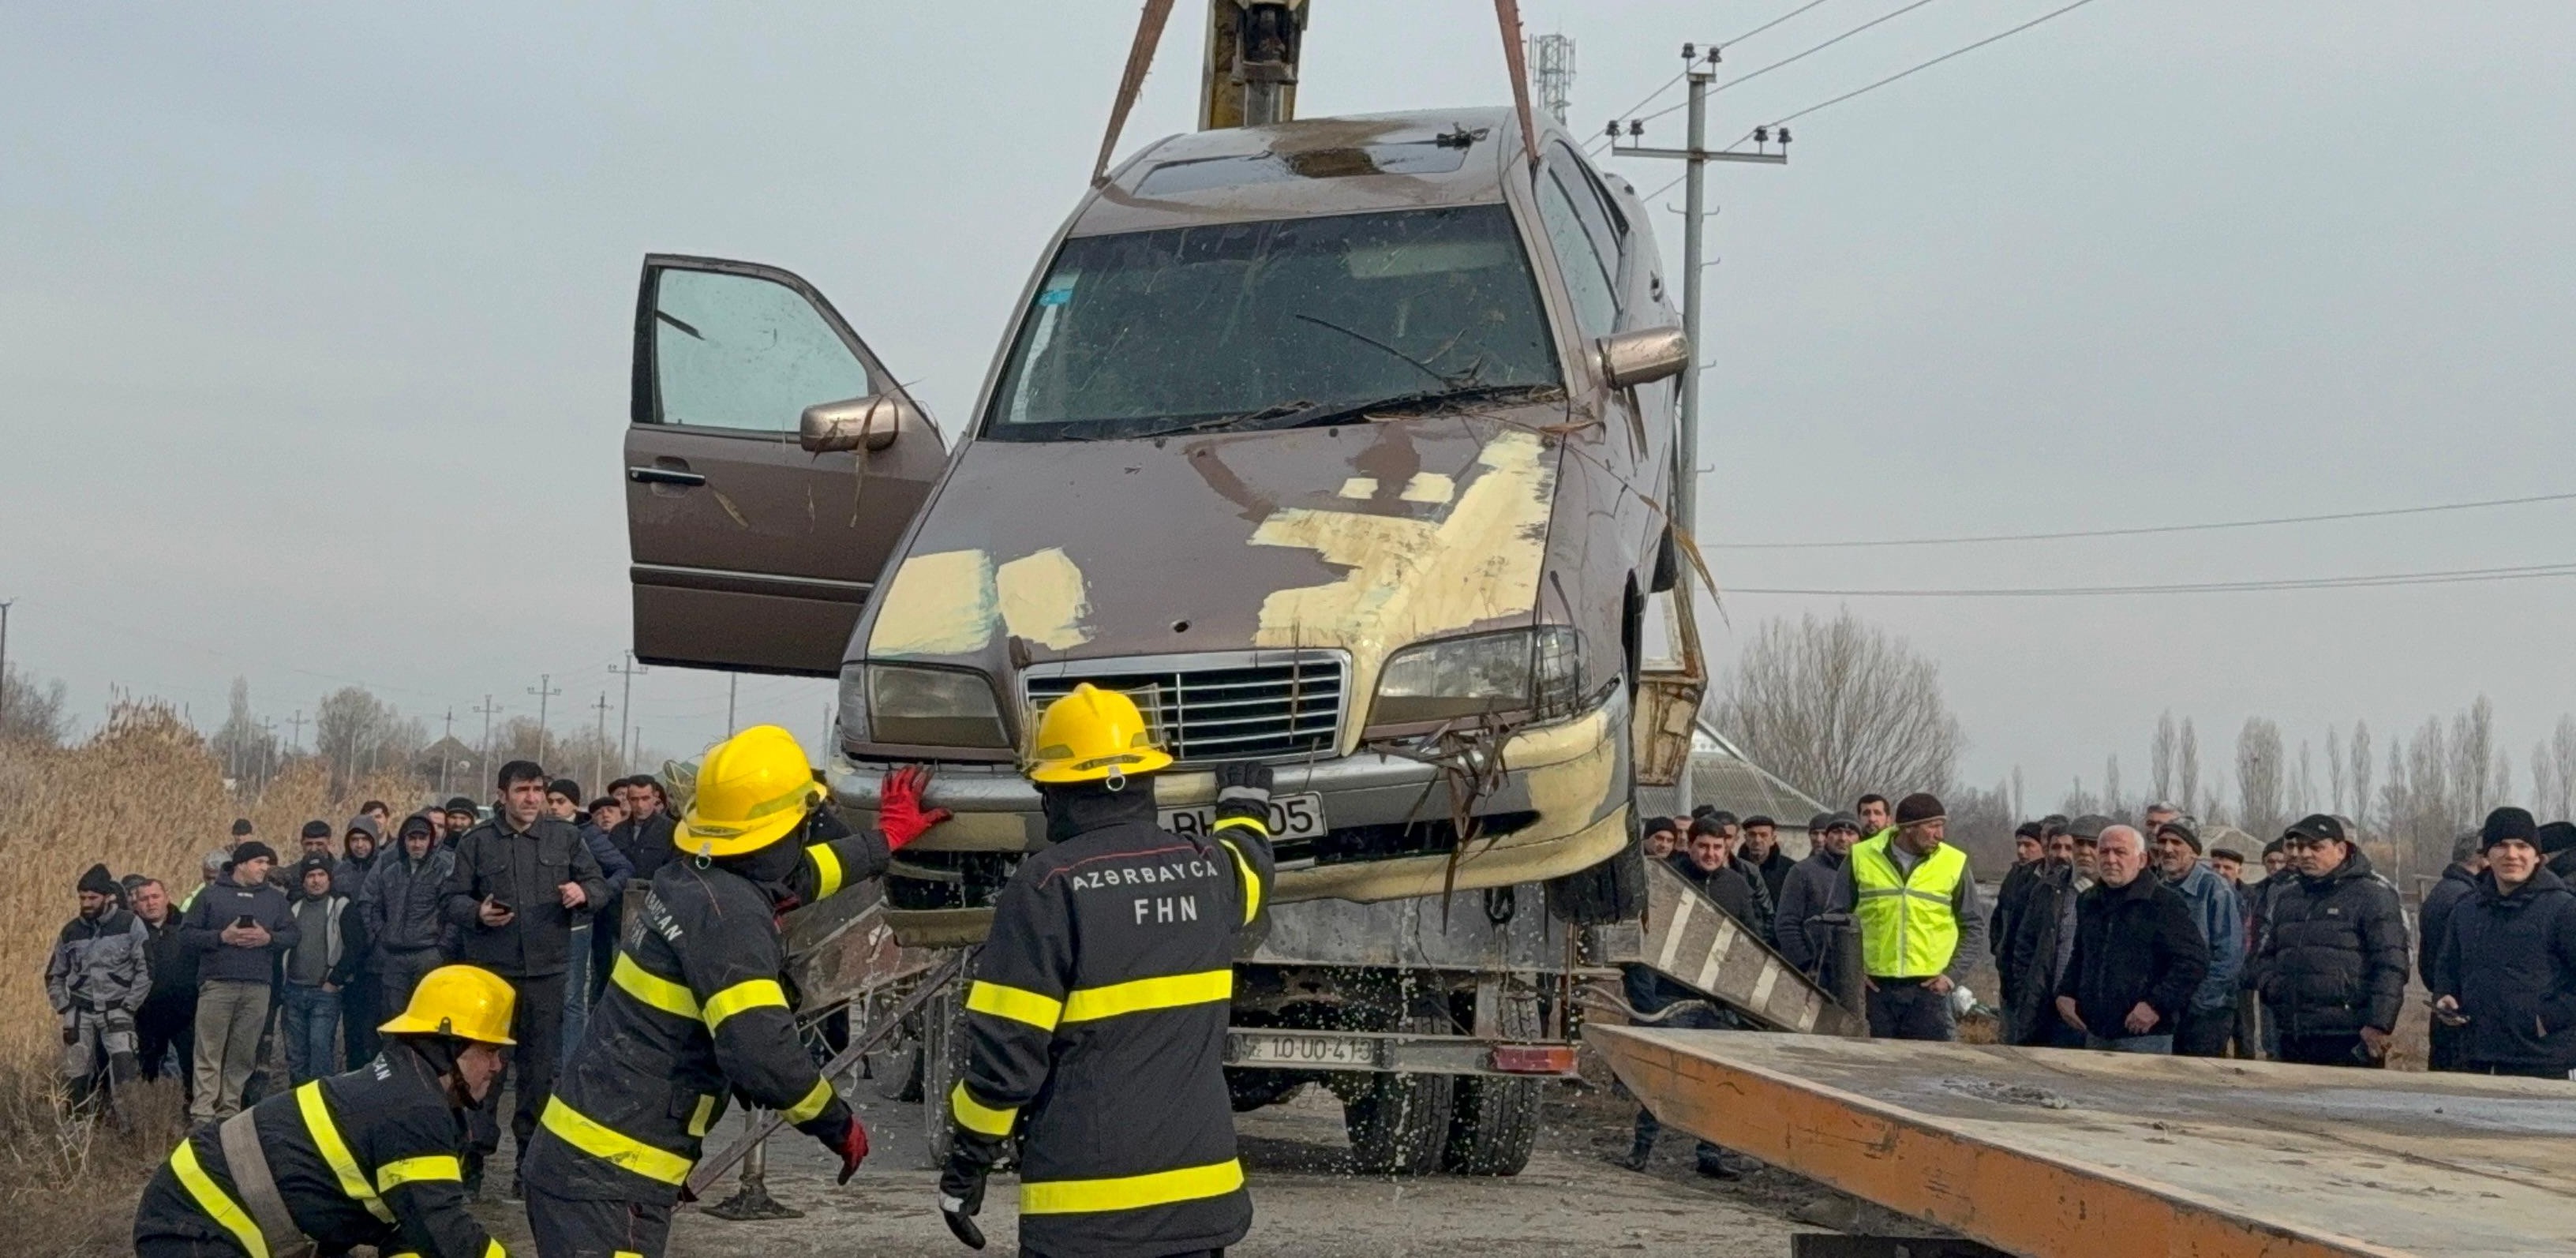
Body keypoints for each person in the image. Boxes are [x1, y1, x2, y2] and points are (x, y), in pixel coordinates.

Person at [522, 727, 937, 1258]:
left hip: (588, 1167)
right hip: (608, 1185)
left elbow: (801, 876)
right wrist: (837, 1124)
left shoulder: (697, 876)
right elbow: (761, 1052)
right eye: (803, 822)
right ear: (785, 828)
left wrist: (883, 841)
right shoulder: (732, 918)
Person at [938, 684, 1275, 1256]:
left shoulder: (1046, 887)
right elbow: (1252, 870)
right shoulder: (1206, 872)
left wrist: (967, 1165)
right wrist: (1245, 807)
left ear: (1053, 792)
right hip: (1199, 1210)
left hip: (1086, 1218)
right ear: (1148, 780)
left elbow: (1007, 1061)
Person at [132, 965, 517, 1258]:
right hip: (194, 1221)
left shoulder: (404, 1085)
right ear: (448, 1046)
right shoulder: (412, 1108)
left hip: (200, 1209)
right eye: (489, 1051)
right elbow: (442, 1229)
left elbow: (408, 1230)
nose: (498, 1067)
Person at [440, 761, 610, 1197]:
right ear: (502, 794)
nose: (532, 798)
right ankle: (472, 1160)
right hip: (492, 977)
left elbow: (598, 883)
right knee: (482, 1072)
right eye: (522, 790)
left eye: (538, 789)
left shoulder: (566, 837)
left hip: (547, 974)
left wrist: (582, 893)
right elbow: (451, 898)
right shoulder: (477, 842)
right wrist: (476, 913)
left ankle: (528, 1165)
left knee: (538, 1075)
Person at [2252, 814, 2408, 1068]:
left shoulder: (2372, 897)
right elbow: (2266, 953)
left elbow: (2391, 964)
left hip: (2348, 1036)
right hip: (2292, 1034)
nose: (2306, 854)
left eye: (2316, 847)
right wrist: (2274, 988)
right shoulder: (2287, 898)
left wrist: (2378, 1023)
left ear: (2341, 849)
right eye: (2300, 847)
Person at [2431, 807, 2576, 1079]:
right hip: (2476, 1059)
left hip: (2545, 1061)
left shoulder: (2564, 910)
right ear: (2486, 856)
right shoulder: (2466, 911)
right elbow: (2447, 969)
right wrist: (2446, 997)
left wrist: (2544, 1020)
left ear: (2538, 857)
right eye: (2501, 845)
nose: (2512, 855)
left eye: (2522, 846)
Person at [2057, 826, 2209, 1054]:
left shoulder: (2162, 904)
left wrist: (2156, 1005)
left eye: (2120, 852)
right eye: (2104, 852)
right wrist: (2066, 993)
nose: (2111, 859)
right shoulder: (2089, 902)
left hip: (2144, 1035)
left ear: (2141, 860)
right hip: (2095, 1031)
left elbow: (2193, 961)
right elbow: (2081, 953)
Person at [1848, 793, 1986, 1041]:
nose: (1940, 835)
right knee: (1873, 1070)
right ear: (1908, 829)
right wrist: (1854, 973)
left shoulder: (1954, 862)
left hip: (1930, 993)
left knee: (1932, 1073)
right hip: (1875, 991)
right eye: (1933, 827)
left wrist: (1951, 976)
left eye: (1941, 826)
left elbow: (1973, 926)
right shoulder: (1861, 857)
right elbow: (1837, 920)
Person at [182, 841, 301, 1123]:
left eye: (267, 863)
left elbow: (294, 935)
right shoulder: (210, 896)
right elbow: (187, 935)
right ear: (242, 864)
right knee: (209, 1049)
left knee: (243, 1051)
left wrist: (268, 938)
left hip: (258, 986)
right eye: (259, 862)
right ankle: (203, 1112)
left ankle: (229, 1110)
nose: (264, 868)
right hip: (217, 983)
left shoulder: (275, 900)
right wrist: (221, 937)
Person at [542, 777, 633, 1073]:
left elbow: (623, 868)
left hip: (577, 925)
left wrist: (596, 893)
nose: (554, 807)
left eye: (561, 802)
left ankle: (571, 1064)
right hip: (541, 924)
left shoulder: (587, 834)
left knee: (572, 997)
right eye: (551, 801)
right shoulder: (538, 830)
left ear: (573, 804)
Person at [49, 863, 152, 1116]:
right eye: (82, 898)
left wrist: (129, 1005)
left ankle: (129, 1132)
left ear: (108, 897)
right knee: (76, 1073)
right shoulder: (71, 930)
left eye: (92, 898)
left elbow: (146, 969)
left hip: (117, 1010)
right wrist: (64, 1006)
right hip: (80, 1011)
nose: (86, 903)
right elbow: (54, 974)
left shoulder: (130, 924)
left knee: (124, 1071)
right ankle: (76, 1130)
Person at [2151, 819, 2245, 1057]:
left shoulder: (2215, 889)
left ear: (2194, 851)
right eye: (2163, 842)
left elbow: (2229, 955)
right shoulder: (2158, 889)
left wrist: (2197, 1000)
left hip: (2206, 1012)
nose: (2168, 849)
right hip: (2165, 1009)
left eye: (2176, 842)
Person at [281, 856, 365, 1085]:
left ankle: (320, 1103)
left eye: (321, 875)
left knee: (320, 1051)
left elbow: (356, 945)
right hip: (293, 991)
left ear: (329, 879)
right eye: (310, 876)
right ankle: (296, 1104)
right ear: (303, 881)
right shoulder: (292, 909)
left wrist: (334, 980)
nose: (316, 881)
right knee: (295, 1054)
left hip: (324, 993)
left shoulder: (341, 907)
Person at [366, 814, 456, 1019]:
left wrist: (442, 948)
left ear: (430, 841)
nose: (417, 844)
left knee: (426, 1020)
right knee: (392, 1020)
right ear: (404, 841)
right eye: (412, 838)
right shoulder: (390, 873)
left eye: (422, 838)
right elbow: (375, 909)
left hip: (428, 956)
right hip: (394, 958)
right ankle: (394, 1053)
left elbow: (454, 912)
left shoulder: (443, 871)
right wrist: (384, 935)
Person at [2001, 822, 2082, 1046]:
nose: (2062, 855)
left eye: (2069, 848)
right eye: (2056, 847)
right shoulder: (2040, 889)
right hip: (2041, 1003)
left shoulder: (2095, 892)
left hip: (2078, 1008)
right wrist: (2023, 989)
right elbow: (2020, 943)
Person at [2420, 830, 2487, 1072]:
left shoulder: (2441, 891)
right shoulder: (2467, 899)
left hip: (2443, 1006)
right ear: (2481, 857)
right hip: (2458, 1012)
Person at [1773, 811, 1859, 982]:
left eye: (1850, 833)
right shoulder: (1803, 872)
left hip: (1859, 971)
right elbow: (1786, 923)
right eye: (1836, 832)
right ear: (1827, 837)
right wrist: (1804, 964)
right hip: (1817, 971)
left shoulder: (1869, 873)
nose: (1843, 838)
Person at [133, 878, 200, 1093]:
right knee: (148, 1067)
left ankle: (192, 1110)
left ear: (167, 898)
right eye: (144, 899)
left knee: (191, 1064)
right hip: (146, 1013)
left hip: (186, 1012)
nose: (151, 903)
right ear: (136, 904)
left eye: (155, 897)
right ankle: (153, 1111)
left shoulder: (187, 927)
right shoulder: (131, 932)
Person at [336, 818, 387, 1069]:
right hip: (347, 960)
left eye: (365, 840)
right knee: (352, 1025)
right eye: (354, 840)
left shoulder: (384, 869)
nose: (359, 845)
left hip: (376, 960)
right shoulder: (340, 872)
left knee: (374, 1023)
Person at [1672, 815, 1762, 930]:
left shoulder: (1737, 884)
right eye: (1703, 846)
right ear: (1690, 846)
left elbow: (1751, 935)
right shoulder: (1671, 877)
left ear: (1724, 849)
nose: (1711, 853)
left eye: (1717, 847)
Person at [1990, 820, 2048, 968]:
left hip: (2029, 963)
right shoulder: (2013, 875)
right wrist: (1997, 946)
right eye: (2019, 845)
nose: (2021, 851)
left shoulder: (2046, 881)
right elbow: (1999, 914)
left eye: (2028, 845)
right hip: (2006, 960)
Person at [608, 775, 677, 885]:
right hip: (621, 897)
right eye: (634, 799)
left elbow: (676, 873)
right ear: (628, 799)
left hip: (656, 898)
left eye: (646, 798)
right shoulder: (617, 832)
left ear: (656, 797)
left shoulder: (672, 831)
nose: (640, 805)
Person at [1737, 814, 1795, 907]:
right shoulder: (1734, 868)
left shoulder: (1790, 870)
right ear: (1746, 838)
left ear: (1773, 839)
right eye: (1752, 835)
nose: (1757, 840)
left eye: (1763, 835)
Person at [180, 848, 230, 913]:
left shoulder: (241, 898)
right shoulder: (191, 903)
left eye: (215, 879)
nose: (211, 883)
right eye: (208, 878)